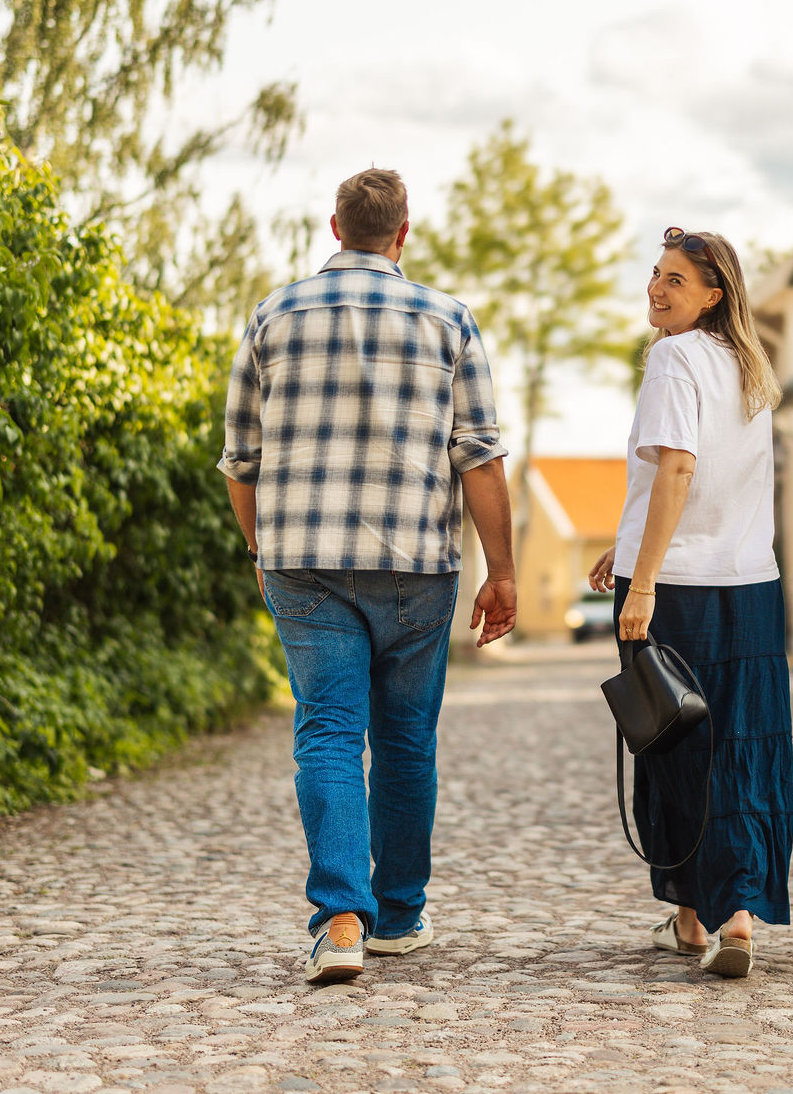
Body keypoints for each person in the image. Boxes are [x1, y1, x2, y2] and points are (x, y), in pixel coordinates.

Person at [218, 167, 517, 986]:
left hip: (302, 560)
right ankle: (400, 913)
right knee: (405, 739)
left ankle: (342, 920)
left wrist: (259, 549)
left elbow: (240, 461)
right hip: (416, 563)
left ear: (335, 225)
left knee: (326, 732)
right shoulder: (449, 319)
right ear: (403, 231)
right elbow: (480, 458)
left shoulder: (273, 315)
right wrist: (504, 571)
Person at [587, 226, 790, 979]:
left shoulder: (674, 358)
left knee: (673, 747)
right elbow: (703, 487)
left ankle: (698, 913)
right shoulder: (747, 368)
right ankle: (728, 914)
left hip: (678, 591)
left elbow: (677, 469)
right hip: (751, 584)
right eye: (655, 273)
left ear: (714, 296)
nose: (656, 288)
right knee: (738, 748)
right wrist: (627, 542)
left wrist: (641, 582)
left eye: (675, 280)